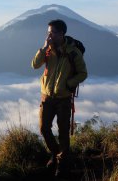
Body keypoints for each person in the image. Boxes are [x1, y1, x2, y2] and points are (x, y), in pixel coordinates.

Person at [31, 19, 87, 178]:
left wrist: (70, 84)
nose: (50, 35)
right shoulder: (47, 50)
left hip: (63, 98)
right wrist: (43, 48)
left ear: (62, 34)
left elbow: (83, 73)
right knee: (43, 128)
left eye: (53, 33)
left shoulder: (72, 52)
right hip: (46, 96)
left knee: (63, 133)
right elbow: (34, 65)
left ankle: (62, 165)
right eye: (48, 32)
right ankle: (57, 155)